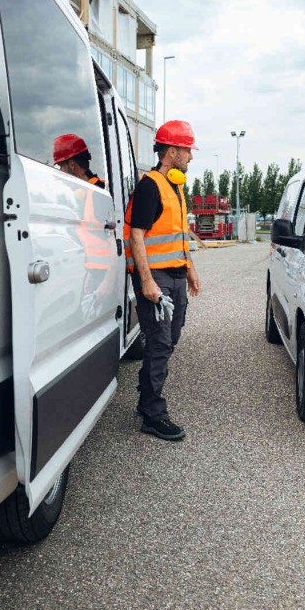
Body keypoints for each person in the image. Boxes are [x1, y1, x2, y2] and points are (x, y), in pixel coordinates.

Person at [124, 120, 202, 441]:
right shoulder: (149, 186)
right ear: (171, 151)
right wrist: (146, 281)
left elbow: (179, 238)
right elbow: (136, 236)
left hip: (176, 276)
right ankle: (153, 413)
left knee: (172, 336)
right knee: (159, 342)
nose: (190, 157)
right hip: (155, 280)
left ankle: (146, 391)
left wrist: (191, 269)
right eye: (187, 151)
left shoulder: (176, 188)